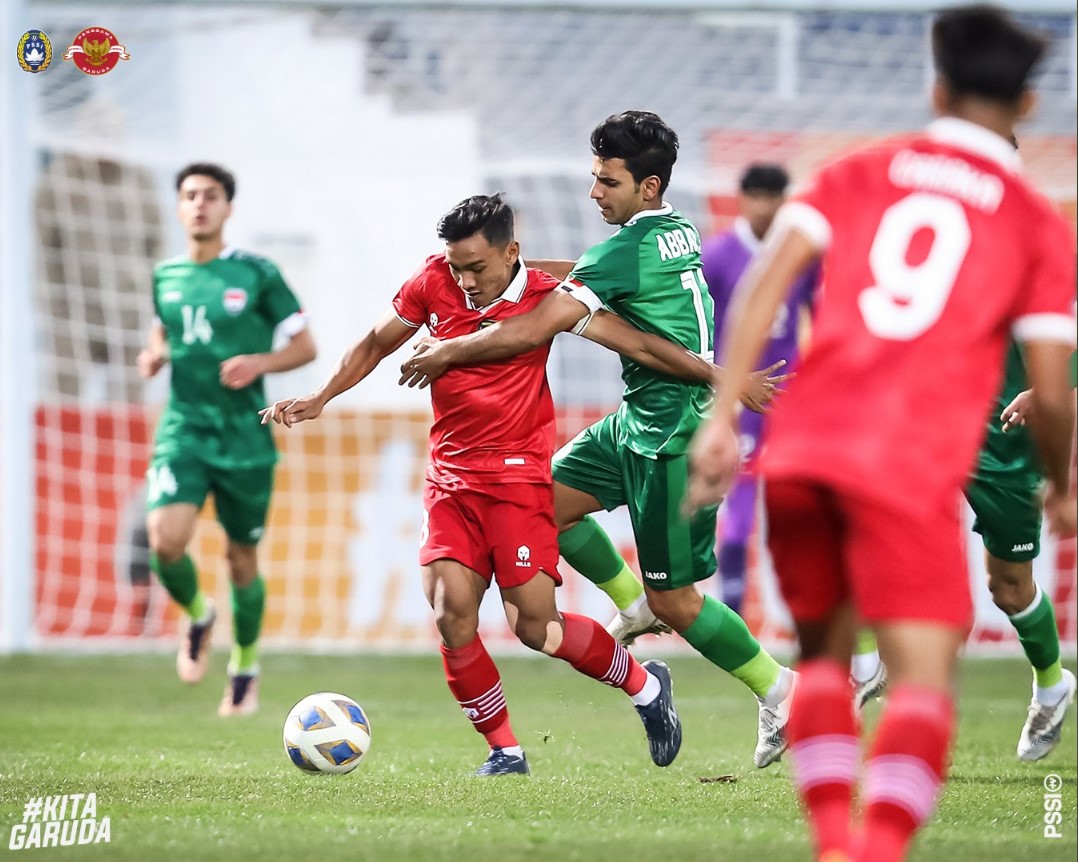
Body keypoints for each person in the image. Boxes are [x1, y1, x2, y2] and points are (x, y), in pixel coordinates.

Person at [688, 7, 1076, 861]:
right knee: (923, 680)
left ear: (935, 89)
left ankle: (835, 844)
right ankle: (875, 853)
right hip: (907, 460)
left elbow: (760, 290)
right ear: (1028, 108)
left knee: (828, 660)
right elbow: (1054, 390)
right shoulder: (1036, 223)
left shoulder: (856, 172)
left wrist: (722, 420)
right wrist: (1067, 486)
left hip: (801, 445)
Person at [263, 193, 737, 775]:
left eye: (477, 268)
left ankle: (645, 686)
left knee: (536, 627)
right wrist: (320, 397)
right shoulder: (432, 281)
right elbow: (375, 342)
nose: (464, 281)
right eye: (456, 266)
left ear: (511, 253)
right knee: (450, 611)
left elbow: (636, 342)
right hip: (450, 482)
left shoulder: (549, 298)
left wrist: (721, 377)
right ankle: (505, 750)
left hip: (518, 482)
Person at [399, 111, 798, 770]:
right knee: (538, 502)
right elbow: (581, 277)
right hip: (633, 422)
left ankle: (779, 689)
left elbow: (535, 328)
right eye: (593, 177)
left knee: (680, 600)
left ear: (647, 186)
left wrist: (447, 350)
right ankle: (629, 600)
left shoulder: (624, 251)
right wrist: (507, 267)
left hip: (674, 436)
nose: (593, 192)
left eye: (606, 181)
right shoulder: (672, 231)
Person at [138, 163, 317, 716]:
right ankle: (197, 613)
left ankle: (245, 665)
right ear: (178, 206)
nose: (199, 205)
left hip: (245, 434)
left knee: (242, 558)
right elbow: (165, 327)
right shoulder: (165, 274)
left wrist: (260, 361)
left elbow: (306, 346)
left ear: (228, 208)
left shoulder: (258, 273)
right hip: (184, 428)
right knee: (165, 542)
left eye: (210, 196)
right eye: (189, 195)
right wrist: (155, 353)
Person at [702, 162, 818, 615]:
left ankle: (817, 613)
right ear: (743, 199)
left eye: (774, 197)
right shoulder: (719, 255)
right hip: (741, 402)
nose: (766, 207)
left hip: (793, 400)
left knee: (804, 512)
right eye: (757, 197)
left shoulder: (802, 254)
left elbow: (823, 315)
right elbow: (702, 324)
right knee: (739, 517)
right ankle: (732, 611)